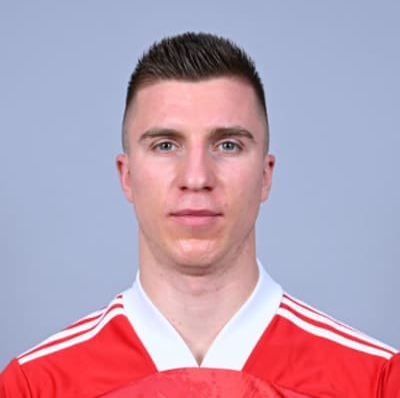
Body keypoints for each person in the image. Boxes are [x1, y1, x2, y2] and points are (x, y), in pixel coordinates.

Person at [0, 32, 399, 398]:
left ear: (265, 176)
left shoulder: (376, 381)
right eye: (165, 145)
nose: (196, 178)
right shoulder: (36, 386)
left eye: (227, 145)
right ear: (126, 176)